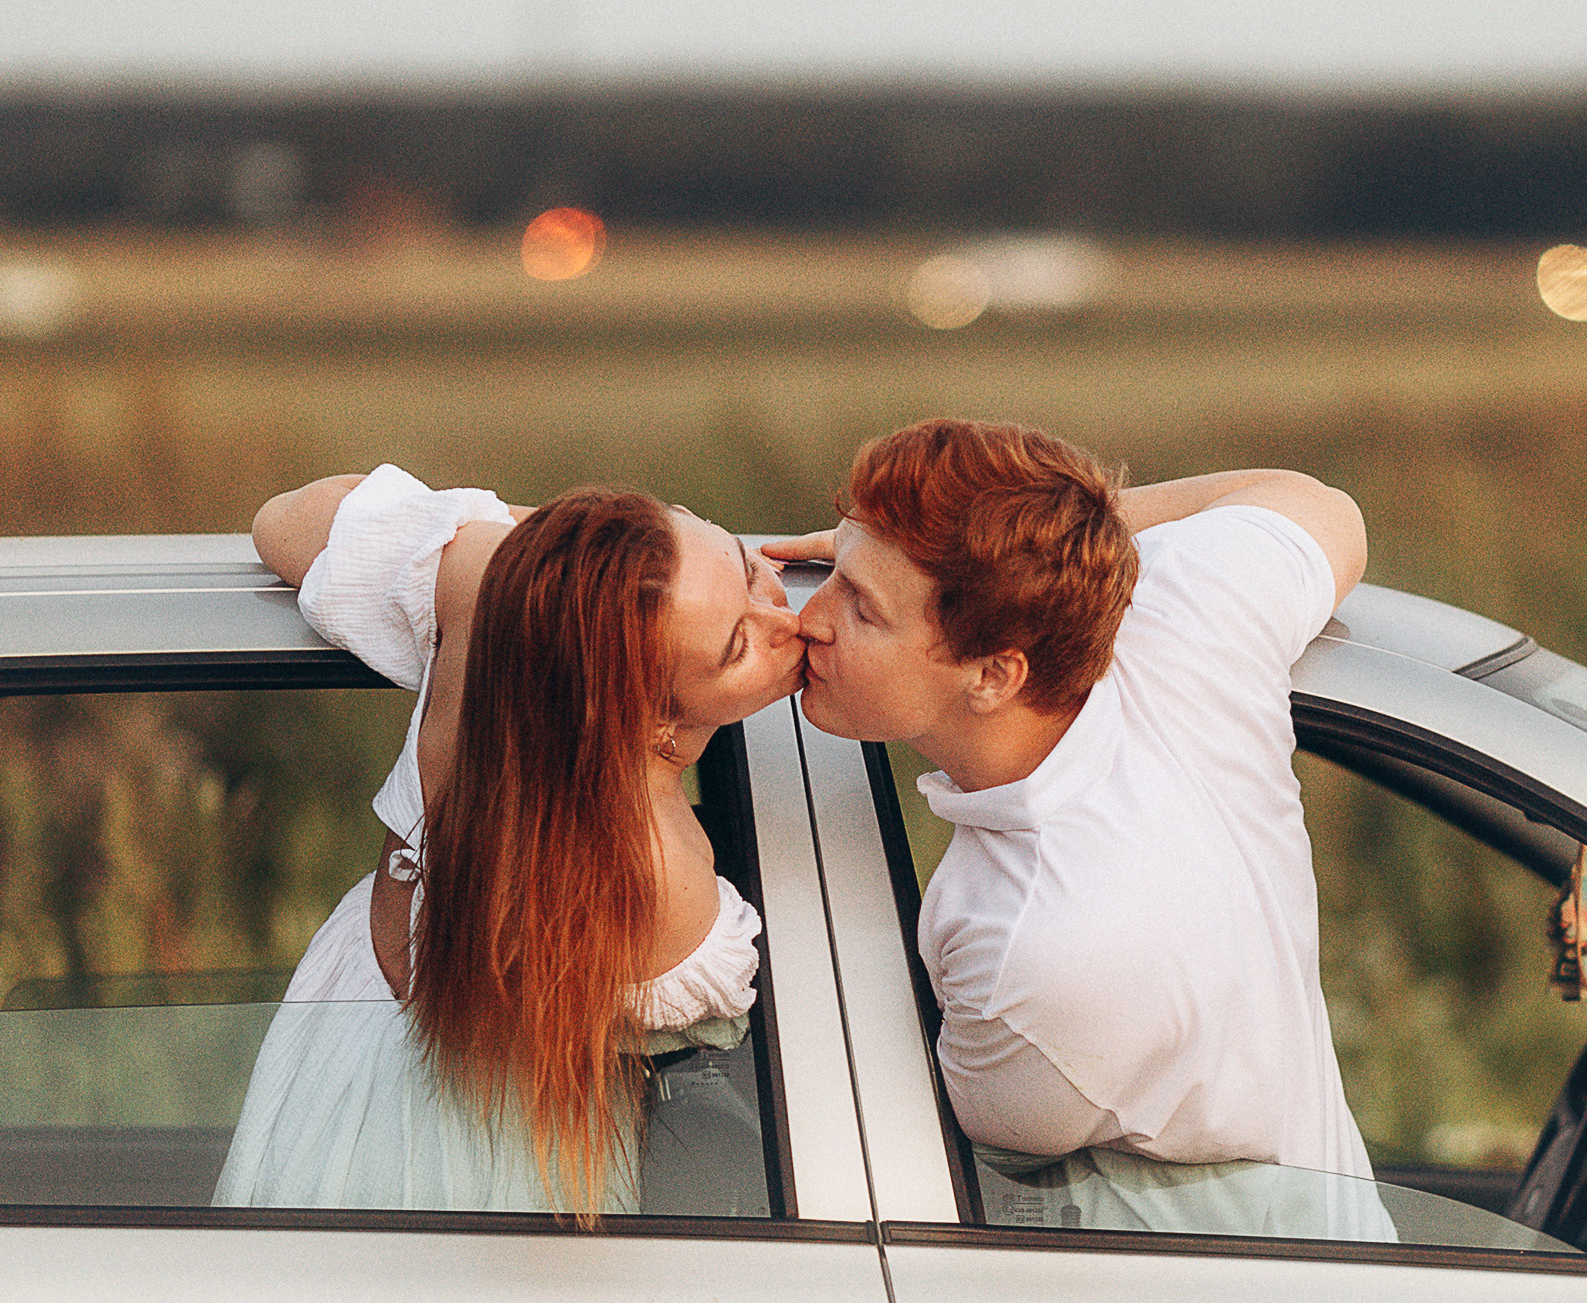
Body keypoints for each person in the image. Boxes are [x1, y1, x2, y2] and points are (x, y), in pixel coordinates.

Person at [769, 418, 1383, 1234]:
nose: (813, 617)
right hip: (1355, 1270)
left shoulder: (1032, 952)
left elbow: (930, 1162)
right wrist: (1039, 551)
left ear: (993, 673)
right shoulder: (1190, 619)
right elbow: (1316, 504)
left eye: (865, 610)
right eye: (838, 572)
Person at [214, 466, 802, 1216]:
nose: (791, 620)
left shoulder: (491, 593)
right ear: (648, 721)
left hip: (342, 1062)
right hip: (494, 1164)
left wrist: (561, 565)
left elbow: (285, 519)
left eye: (749, 566)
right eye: (739, 644)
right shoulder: (655, 871)